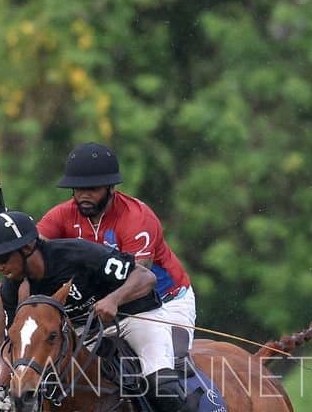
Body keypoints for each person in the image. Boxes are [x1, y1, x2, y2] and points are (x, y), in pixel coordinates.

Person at [0, 208, 235, 412]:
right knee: (52, 382)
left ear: (28, 247)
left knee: (158, 380)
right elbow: (15, 341)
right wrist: (2, 387)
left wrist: (114, 299)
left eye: (4, 257)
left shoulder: (77, 254)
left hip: (136, 317)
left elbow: (145, 277)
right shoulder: (12, 288)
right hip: (90, 329)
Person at [37, 142, 197, 365]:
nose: (84, 195)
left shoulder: (136, 217)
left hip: (164, 302)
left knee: (174, 364)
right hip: (101, 310)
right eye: (78, 189)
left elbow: (140, 277)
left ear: (111, 188)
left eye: (92, 189)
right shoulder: (61, 215)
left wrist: (112, 299)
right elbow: (34, 252)